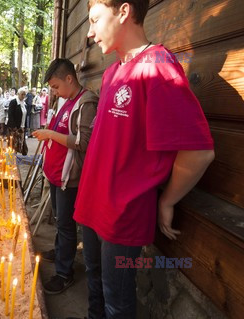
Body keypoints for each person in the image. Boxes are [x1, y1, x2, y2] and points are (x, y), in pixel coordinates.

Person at [75, 1, 215, 317]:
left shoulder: (158, 66)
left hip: (123, 214)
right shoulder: (111, 72)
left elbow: (200, 151)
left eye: (95, 19)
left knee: (117, 303)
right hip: (93, 202)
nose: (89, 31)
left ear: (123, 12)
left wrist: (167, 201)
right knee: (94, 285)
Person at [33, 59, 98, 295]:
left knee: (67, 225)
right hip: (57, 174)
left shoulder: (86, 102)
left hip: (71, 177)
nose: (54, 91)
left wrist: (50, 133)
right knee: (61, 221)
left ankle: (64, 273)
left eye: (56, 86)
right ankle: (61, 252)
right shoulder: (68, 100)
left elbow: (85, 142)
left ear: (69, 79)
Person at [7, 87, 28, 155]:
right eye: (22, 94)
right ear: (18, 94)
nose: (23, 96)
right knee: (12, 145)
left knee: (19, 144)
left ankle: (15, 159)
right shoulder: (13, 102)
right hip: (14, 128)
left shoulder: (24, 103)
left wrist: (25, 127)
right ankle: (10, 161)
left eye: (25, 94)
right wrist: (14, 127)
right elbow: (10, 115)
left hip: (22, 127)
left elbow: (25, 115)